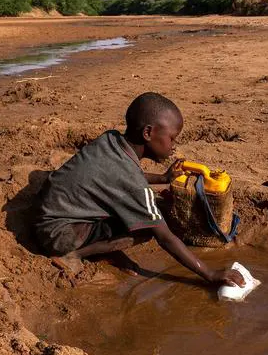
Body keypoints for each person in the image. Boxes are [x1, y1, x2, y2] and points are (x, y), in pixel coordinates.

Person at [33, 92, 244, 287]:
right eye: (171, 138)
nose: (173, 146)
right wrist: (210, 274)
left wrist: (162, 178)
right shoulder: (131, 180)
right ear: (148, 132)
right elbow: (164, 237)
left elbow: (117, 178)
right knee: (147, 226)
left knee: (138, 208)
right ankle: (76, 254)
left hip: (50, 214)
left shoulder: (111, 140)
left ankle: (105, 250)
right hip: (59, 235)